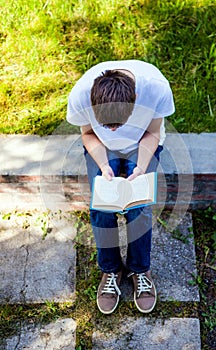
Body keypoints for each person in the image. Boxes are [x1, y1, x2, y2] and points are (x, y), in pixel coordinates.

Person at [67, 60, 175, 314]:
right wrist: (105, 166)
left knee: (140, 205)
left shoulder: (156, 89)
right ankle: (111, 270)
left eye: (118, 124)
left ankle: (140, 269)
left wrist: (140, 167)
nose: (114, 129)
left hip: (143, 145)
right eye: (108, 124)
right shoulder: (81, 95)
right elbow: (89, 134)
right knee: (101, 208)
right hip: (103, 149)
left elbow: (153, 133)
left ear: (135, 100)